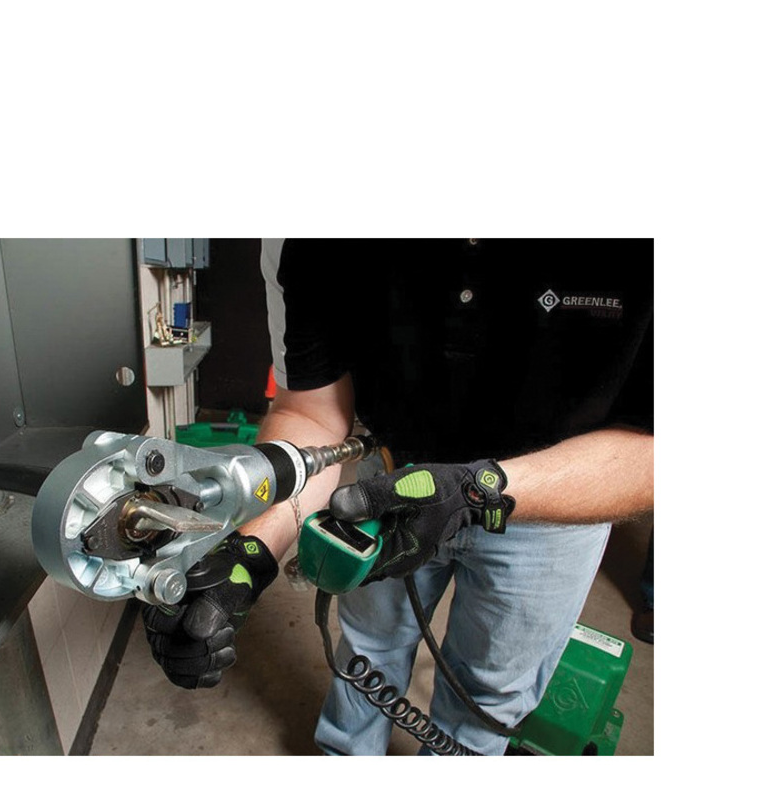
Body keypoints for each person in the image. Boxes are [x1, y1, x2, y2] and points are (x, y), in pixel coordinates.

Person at [143, 239, 654, 755]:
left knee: (489, 695)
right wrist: (250, 554)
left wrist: (472, 493)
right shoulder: (306, 239)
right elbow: (312, 413)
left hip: (561, 496)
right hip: (387, 484)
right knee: (368, 650)